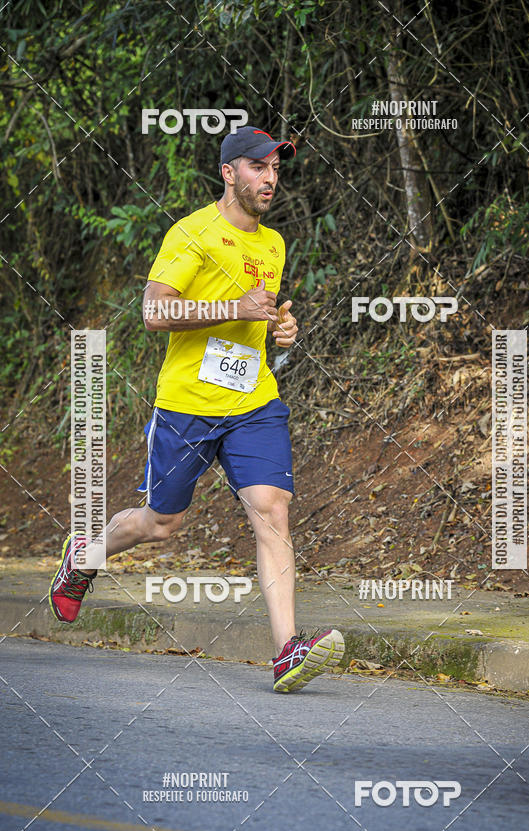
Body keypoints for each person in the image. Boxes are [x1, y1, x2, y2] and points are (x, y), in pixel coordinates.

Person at [48, 125, 345, 692]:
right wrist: (234, 304)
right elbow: (154, 312)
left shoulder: (274, 243)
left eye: (277, 170)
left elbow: (255, 321)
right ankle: (84, 554)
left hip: (254, 401)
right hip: (187, 404)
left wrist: (280, 328)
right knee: (162, 523)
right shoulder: (192, 233)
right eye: (259, 167)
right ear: (229, 172)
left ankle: (287, 651)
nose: (270, 179)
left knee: (272, 509)